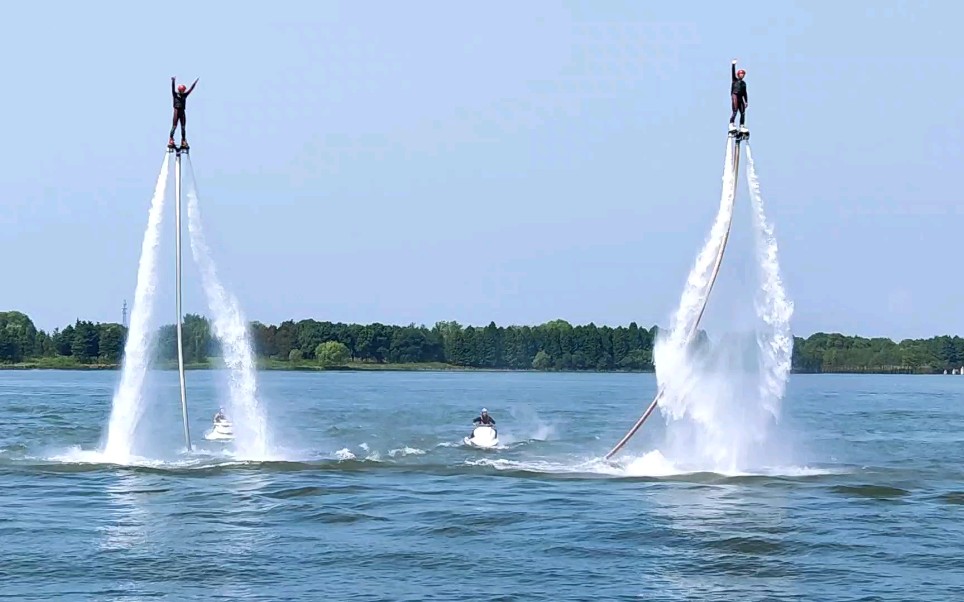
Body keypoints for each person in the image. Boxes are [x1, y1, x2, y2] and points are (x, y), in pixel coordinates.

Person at [169, 76, 199, 148]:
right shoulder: (175, 94)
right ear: (180, 90)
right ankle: (171, 139)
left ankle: (183, 140)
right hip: (176, 111)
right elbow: (172, 88)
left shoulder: (185, 95)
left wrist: (195, 83)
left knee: (183, 127)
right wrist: (173, 81)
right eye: (183, 90)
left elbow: (191, 89)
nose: (184, 91)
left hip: (182, 112)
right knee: (174, 126)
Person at [729, 59, 748, 132]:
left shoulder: (744, 83)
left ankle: (742, 126)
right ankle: (731, 123)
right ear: (738, 75)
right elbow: (733, 72)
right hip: (735, 96)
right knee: (735, 111)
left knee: (743, 112)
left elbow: (745, 93)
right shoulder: (735, 80)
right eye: (741, 74)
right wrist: (733, 65)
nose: (742, 75)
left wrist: (746, 101)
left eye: (743, 74)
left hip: (741, 98)